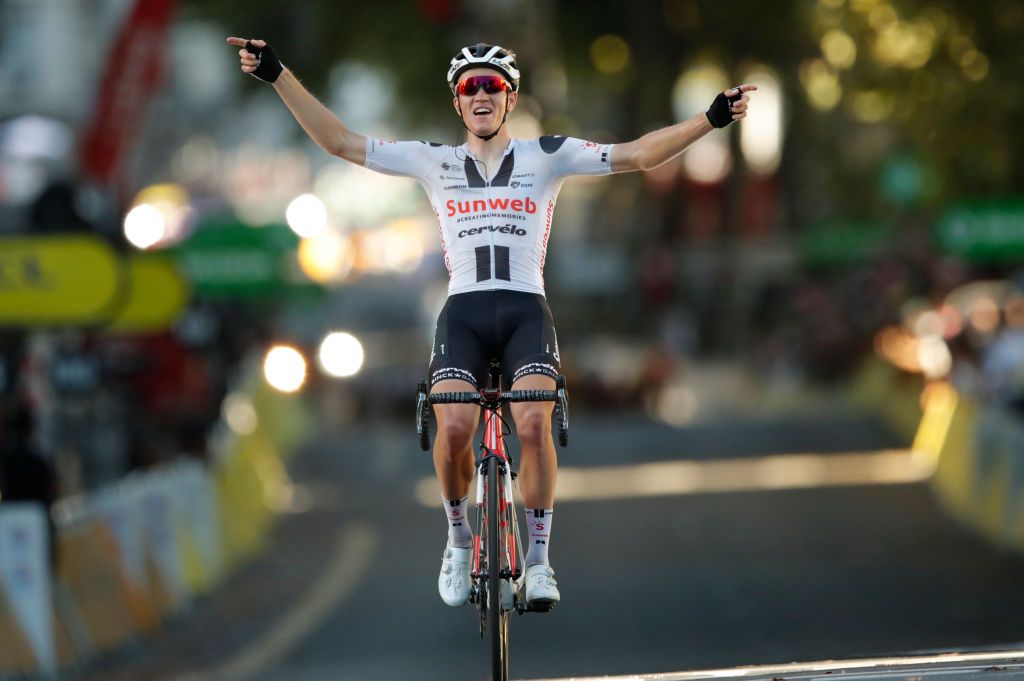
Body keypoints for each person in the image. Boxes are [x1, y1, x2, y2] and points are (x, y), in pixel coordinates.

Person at [227, 37, 754, 609]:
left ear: (510, 99)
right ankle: (458, 541)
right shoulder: (434, 160)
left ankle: (538, 560)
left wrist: (711, 119)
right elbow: (339, 142)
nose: (481, 94)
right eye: (469, 87)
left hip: (527, 309)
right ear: (457, 103)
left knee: (533, 422)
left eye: (492, 86)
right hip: (465, 314)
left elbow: (637, 155)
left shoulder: (547, 155)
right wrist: (277, 73)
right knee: (453, 427)